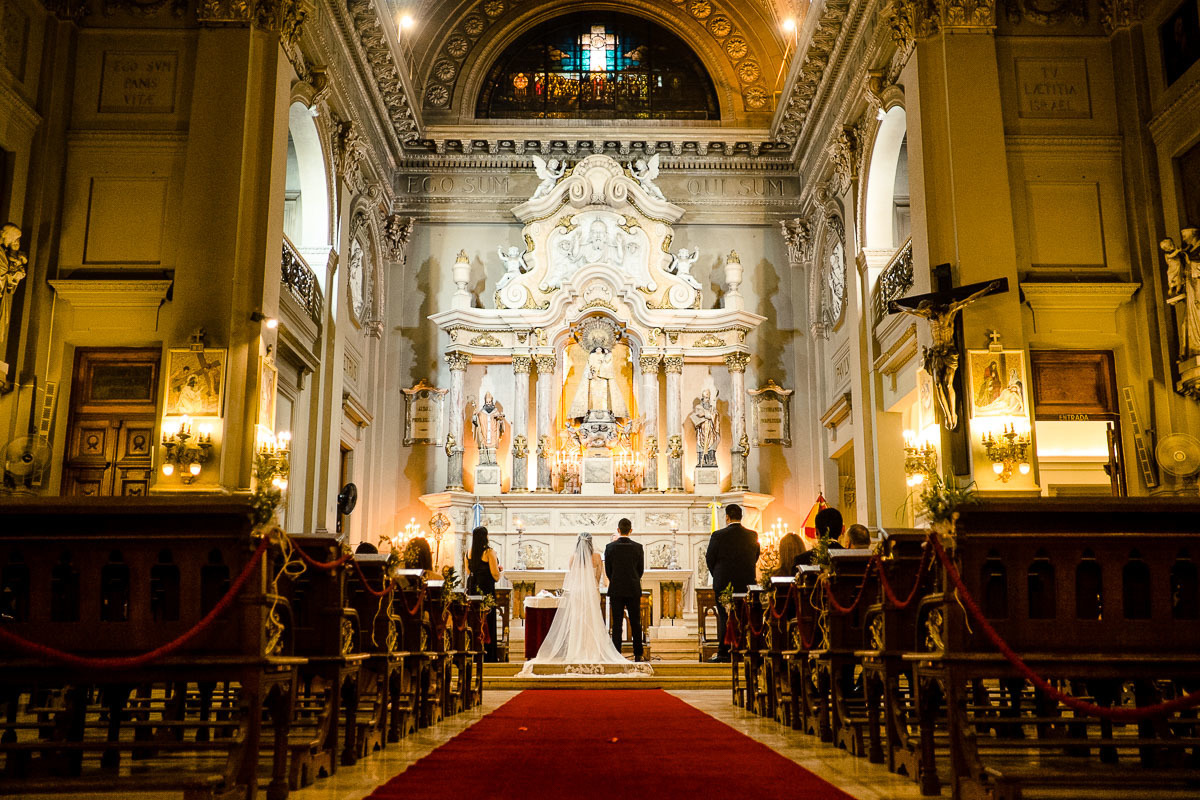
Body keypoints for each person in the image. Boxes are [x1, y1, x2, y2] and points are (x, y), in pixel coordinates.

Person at [517, 532, 651, 676]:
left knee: (578, 621)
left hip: (577, 593)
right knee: (592, 621)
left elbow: (572, 576)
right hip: (592, 591)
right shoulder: (597, 557)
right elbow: (599, 576)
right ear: (591, 543)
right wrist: (594, 587)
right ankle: (593, 651)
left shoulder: (573, 558)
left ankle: (576, 650)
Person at [706, 504, 760, 663]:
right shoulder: (752, 535)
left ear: (727, 517)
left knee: (724, 617)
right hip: (746, 583)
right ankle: (744, 648)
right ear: (741, 517)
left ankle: (724, 652)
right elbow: (755, 556)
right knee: (744, 616)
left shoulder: (718, 535)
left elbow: (710, 558)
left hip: (723, 583)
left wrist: (717, 574)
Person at [604, 518, 645, 662]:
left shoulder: (610, 547)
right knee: (635, 622)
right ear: (631, 530)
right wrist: (633, 579)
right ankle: (638, 654)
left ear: (618, 530)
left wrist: (615, 580)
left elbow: (608, 570)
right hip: (633, 588)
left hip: (616, 589)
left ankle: (616, 653)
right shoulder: (638, 547)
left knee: (617, 623)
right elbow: (640, 570)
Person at [466, 526, 502, 662]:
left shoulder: (468, 552)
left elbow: (469, 572)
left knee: (475, 619)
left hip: (473, 588)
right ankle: (489, 655)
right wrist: (498, 571)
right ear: (485, 536)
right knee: (488, 619)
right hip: (486, 588)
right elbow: (495, 574)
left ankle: (474, 651)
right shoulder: (489, 552)